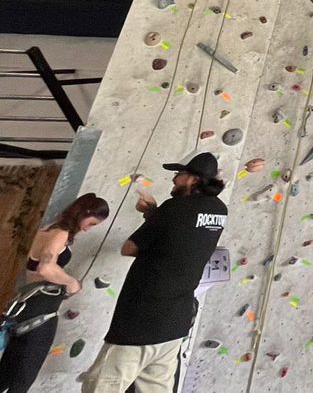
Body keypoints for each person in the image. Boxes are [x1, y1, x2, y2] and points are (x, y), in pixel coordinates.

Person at [81, 152, 227, 393]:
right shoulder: (219, 211)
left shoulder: (173, 208)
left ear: (193, 179)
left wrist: (155, 216)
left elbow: (129, 248)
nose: (174, 179)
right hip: (175, 322)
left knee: (101, 387)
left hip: (143, 317)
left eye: (179, 174)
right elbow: (182, 240)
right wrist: (154, 215)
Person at [0, 194, 109, 393]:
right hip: (42, 311)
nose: (88, 229)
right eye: (91, 223)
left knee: (7, 371)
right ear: (84, 212)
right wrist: (72, 282)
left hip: (28, 306)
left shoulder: (46, 229)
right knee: (23, 376)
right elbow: (45, 268)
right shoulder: (61, 233)